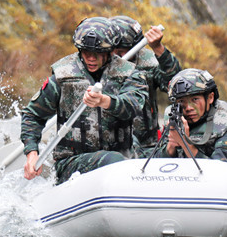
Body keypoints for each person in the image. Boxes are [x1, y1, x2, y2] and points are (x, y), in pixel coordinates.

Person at [21, 17, 148, 183]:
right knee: (113, 160)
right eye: (86, 52)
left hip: (122, 162)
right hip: (72, 163)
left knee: (129, 158)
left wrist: (104, 101)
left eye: (97, 53)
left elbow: (134, 105)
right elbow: (32, 116)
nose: (91, 58)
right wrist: (32, 154)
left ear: (109, 51)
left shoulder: (130, 74)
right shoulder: (62, 77)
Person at [110, 16, 182, 156]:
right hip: (111, 146)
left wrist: (159, 49)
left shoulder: (150, 62)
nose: (119, 56)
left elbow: (175, 85)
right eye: (115, 51)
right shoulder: (95, 63)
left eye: (123, 51)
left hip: (147, 145)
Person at [159, 68, 227, 165]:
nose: (188, 108)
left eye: (195, 99)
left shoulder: (226, 125)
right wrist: (170, 148)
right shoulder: (175, 118)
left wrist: (185, 144)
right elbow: (155, 165)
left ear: (210, 98)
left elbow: (220, 171)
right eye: (182, 101)